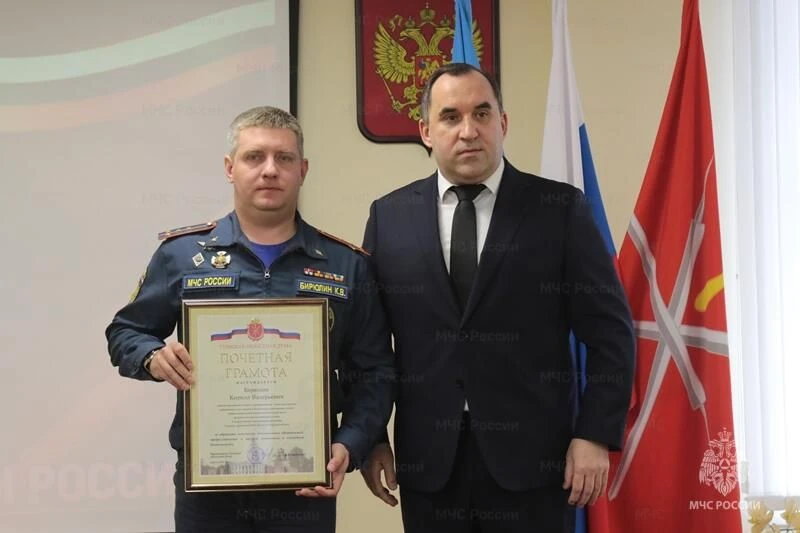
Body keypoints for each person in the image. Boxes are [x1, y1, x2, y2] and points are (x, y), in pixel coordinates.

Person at [360, 63, 635, 532]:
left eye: (482, 114)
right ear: (426, 132)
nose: (468, 131)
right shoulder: (389, 217)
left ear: (502, 123)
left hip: (536, 466)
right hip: (430, 466)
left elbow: (612, 335)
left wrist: (594, 433)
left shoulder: (559, 210)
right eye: (450, 117)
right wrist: (372, 437)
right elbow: (370, 347)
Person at [106, 106, 395, 533]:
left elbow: (375, 372)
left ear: (303, 170)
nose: (270, 170)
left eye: (284, 158)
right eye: (254, 157)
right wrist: (152, 357)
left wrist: (349, 443)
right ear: (230, 168)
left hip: (304, 483)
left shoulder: (346, 265)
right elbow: (125, 332)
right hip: (208, 485)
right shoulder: (181, 255)